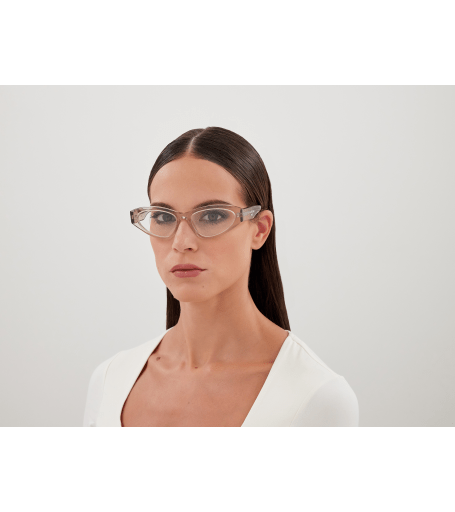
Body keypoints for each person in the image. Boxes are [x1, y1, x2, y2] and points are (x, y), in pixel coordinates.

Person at [83, 126, 359, 427]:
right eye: (163, 216)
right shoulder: (109, 381)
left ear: (260, 229)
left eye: (212, 215)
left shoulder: (317, 397)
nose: (181, 242)